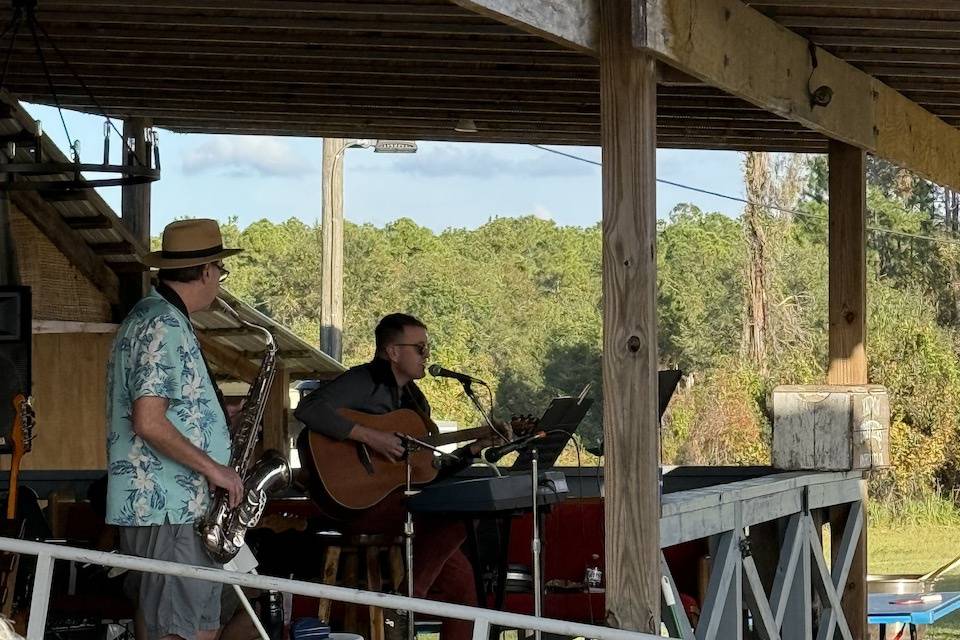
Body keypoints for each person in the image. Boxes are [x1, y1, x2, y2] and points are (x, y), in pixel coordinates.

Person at [294, 313, 486, 640]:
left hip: (404, 509)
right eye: (420, 348)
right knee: (463, 509)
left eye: (427, 348)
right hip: (358, 504)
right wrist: (370, 436)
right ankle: (407, 601)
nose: (427, 355)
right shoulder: (363, 381)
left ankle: (406, 599)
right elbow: (308, 410)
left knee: (465, 591)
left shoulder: (415, 401)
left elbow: (428, 473)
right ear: (393, 352)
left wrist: (472, 451)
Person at [105, 218, 245, 640]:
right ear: (206, 271)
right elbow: (148, 420)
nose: (219, 280)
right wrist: (217, 469)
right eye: (220, 271)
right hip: (170, 506)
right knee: (177, 632)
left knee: (192, 629)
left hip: (174, 509)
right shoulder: (162, 323)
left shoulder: (156, 317)